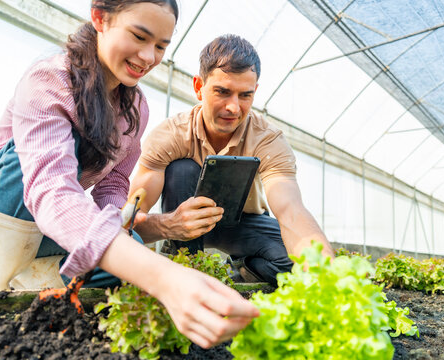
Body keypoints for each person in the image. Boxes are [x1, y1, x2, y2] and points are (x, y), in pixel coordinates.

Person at [0, 1, 258, 348]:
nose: (148, 56)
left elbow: (114, 187)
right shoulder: (50, 78)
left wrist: (125, 231)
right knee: (32, 162)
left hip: (41, 226)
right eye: (139, 36)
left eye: (161, 47)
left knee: (130, 249)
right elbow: (51, 191)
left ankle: (37, 278)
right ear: (100, 18)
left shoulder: (135, 108)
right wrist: (165, 277)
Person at [129, 34, 335, 286]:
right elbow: (132, 222)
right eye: (222, 92)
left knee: (293, 265)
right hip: (183, 222)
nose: (233, 107)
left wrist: (328, 273)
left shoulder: (268, 140)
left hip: (242, 225)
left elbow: (291, 211)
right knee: (181, 169)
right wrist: (168, 226)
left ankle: (243, 268)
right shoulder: (170, 135)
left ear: (255, 91)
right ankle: (183, 265)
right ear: (198, 87)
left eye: (245, 95)